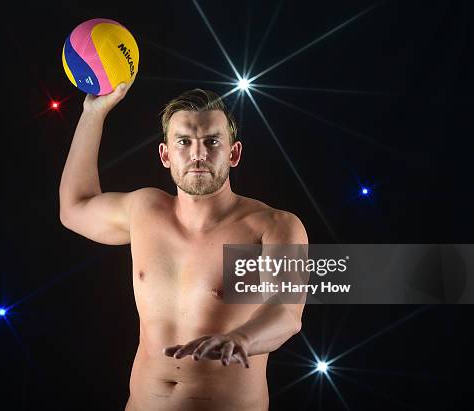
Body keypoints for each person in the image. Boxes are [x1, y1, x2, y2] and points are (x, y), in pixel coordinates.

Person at [59, 78, 307, 411]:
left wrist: (241, 338)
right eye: (184, 142)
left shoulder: (272, 227)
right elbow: (74, 208)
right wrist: (93, 113)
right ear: (165, 154)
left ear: (234, 153)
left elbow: (287, 314)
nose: (198, 154)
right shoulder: (144, 211)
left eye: (212, 141)